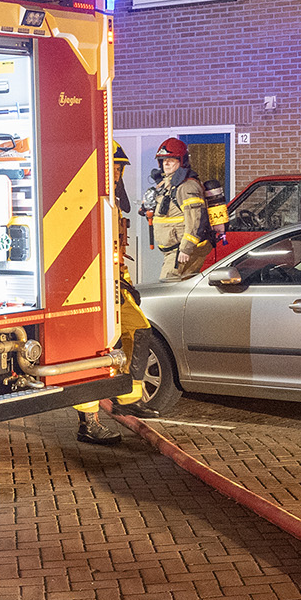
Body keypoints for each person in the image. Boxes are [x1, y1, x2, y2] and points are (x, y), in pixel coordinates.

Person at [74, 142, 149, 445]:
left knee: (139, 329)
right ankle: (89, 423)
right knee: (91, 351)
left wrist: (124, 283)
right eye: (113, 167)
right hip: (91, 288)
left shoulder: (112, 202)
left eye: (120, 168)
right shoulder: (86, 201)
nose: (117, 173)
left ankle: (128, 397)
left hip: (114, 283)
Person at [146, 136, 212, 282]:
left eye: (171, 159)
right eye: (163, 160)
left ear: (181, 161)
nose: (166, 163)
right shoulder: (167, 185)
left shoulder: (187, 187)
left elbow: (195, 220)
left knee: (167, 286)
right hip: (174, 250)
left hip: (181, 250)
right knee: (181, 289)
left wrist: (186, 249)